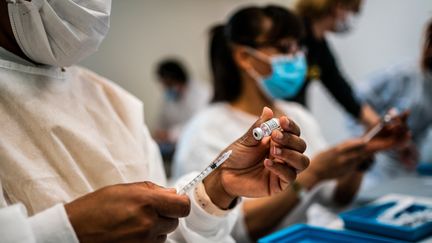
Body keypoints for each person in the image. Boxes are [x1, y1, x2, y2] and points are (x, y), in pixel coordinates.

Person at [0, 1, 310, 242]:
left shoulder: (117, 103)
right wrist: (68, 232)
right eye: (284, 49)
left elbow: (168, 230)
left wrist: (216, 188)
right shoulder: (201, 125)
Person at [172, 5, 410, 241]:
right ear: (244, 56)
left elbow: (336, 197)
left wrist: (361, 157)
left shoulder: (298, 115)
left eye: (298, 48)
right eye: (285, 48)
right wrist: (312, 174)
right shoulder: (204, 131)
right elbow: (233, 230)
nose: (297, 58)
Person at [350, 19, 432, 191]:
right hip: (375, 169)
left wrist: (407, 145)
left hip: (406, 167)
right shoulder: (403, 75)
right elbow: (354, 103)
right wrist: (371, 140)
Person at [291, 0, 380, 127]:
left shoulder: (320, 48)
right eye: (351, 11)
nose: (349, 18)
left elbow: (344, 93)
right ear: (338, 7)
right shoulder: (291, 33)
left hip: (294, 117)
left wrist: (380, 126)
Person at [153, 59, 210, 164]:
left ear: (178, 79)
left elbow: (198, 126)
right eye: (164, 84)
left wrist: (169, 135)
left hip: (199, 147)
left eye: (169, 84)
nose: (166, 88)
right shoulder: (168, 98)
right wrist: (159, 133)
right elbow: (161, 123)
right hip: (177, 147)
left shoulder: (203, 94)